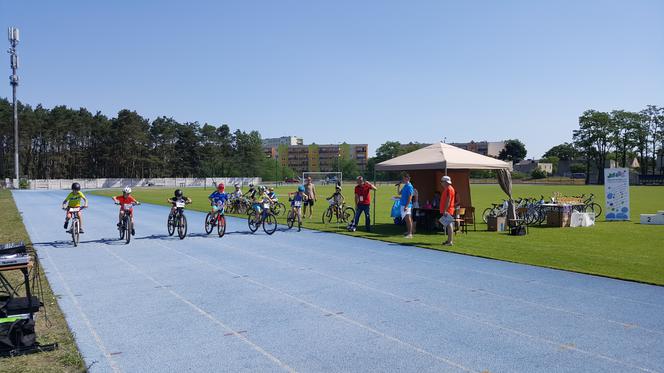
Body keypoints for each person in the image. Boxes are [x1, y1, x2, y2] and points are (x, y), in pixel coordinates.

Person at [439, 175, 456, 246]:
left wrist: (445, 210)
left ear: (445, 182)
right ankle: (449, 240)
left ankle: (450, 241)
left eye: (442, 182)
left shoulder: (449, 189)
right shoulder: (448, 188)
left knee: (449, 225)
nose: (441, 183)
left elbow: (448, 200)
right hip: (447, 209)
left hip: (448, 210)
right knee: (448, 225)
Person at [399, 173, 414, 238]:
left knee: (408, 219)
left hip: (406, 205)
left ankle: (410, 234)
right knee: (406, 219)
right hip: (403, 204)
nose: (403, 179)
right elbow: (399, 193)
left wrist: (406, 206)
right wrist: (398, 186)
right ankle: (408, 231)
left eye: (404, 178)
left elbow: (410, 197)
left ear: (408, 178)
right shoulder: (405, 186)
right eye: (403, 178)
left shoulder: (409, 186)